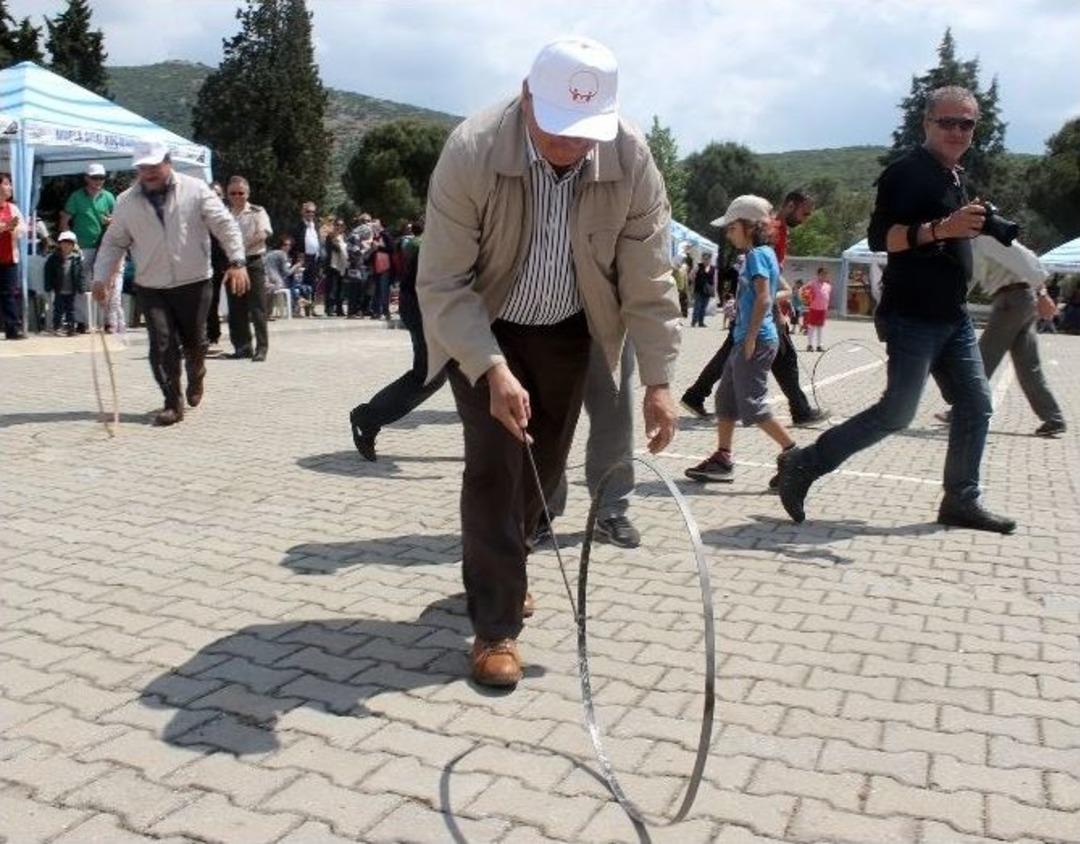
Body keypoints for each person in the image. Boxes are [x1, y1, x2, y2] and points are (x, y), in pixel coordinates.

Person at [417, 37, 680, 687]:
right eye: (559, 129)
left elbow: (650, 277)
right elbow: (444, 283)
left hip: (570, 330)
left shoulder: (631, 156)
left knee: (542, 474)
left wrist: (659, 380)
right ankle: (495, 629)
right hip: (484, 323)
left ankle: (507, 568)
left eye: (585, 133)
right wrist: (490, 367)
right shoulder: (473, 149)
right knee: (495, 469)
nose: (570, 147)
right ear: (528, 95)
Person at [776, 86, 1015, 534]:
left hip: (953, 316)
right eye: (947, 122)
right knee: (897, 413)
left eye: (967, 124)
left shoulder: (953, 176)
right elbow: (880, 239)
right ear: (926, 123)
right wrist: (942, 228)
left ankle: (961, 500)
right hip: (913, 315)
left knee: (976, 405)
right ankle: (804, 464)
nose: (957, 131)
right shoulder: (906, 173)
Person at [93, 141, 248, 426]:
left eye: (154, 166)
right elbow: (113, 242)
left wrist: (237, 261)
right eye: (143, 167)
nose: (149, 172)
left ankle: (197, 372)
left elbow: (225, 226)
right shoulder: (126, 201)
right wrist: (100, 277)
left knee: (195, 342)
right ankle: (172, 403)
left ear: (168, 162)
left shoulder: (196, 189)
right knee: (161, 345)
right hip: (151, 285)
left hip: (195, 281)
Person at [680, 190, 828, 426]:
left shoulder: (776, 230)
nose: (805, 219)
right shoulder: (773, 230)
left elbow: (770, 275)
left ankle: (697, 395)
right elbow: (764, 281)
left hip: (756, 307)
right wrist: (777, 311)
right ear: (790, 205)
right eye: (804, 213)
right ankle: (798, 410)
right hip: (759, 308)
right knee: (779, 356)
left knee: (750, 353)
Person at [686, 196, 797, 484]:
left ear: (748, 226)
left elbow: (763, 296)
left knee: (752, 405)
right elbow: (777, 293)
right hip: (747, 339)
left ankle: (796, 457)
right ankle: (722, 458)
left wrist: (750, 336)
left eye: (731, 227)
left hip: (755, 341)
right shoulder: (767, 254)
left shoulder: (757, 255)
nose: (727, 232)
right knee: (725, 399)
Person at [937, 237, 1066, 437]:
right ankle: (1053, 418)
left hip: (1012, 300)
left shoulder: (987, 237)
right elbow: (968, 279)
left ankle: (962, 411)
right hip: (1018, 300)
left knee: (981, 359)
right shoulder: (973, 244)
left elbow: (1026, 259)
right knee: (1028, 366)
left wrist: (1042, 293)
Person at [349, 219, 449, 460]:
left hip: (438, 305)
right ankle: (368, 417)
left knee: (457, 376)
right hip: (426, 306)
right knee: (430, 375)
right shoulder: (454, 229)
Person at [61, 163, 116, 333]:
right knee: (81, 284)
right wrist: (68, 242)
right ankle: (81, 321)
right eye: (95, 177)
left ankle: (108, 321)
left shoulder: (109, 197)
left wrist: (111, 221)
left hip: (104, 246)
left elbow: (119, 220)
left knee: (105, 282)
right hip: (82, 246)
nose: (99, 181)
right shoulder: (76, 196)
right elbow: (65, 218)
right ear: (86, 178)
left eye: (101, 177)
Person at [224, 176, 272, 361]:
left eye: (240, 193)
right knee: (235, 308)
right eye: (233, 193)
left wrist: (239, 247)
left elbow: (263, 233)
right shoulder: (224, 213)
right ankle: (242, 347)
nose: (237, 196)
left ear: (248, 193)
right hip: (232, 265)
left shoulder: (257, 211)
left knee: (257, 307)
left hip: (253, 262)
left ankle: (261, 348)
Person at [0, 173, 26, 340]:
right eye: (6, 183)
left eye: (10, 184)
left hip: (9, 258)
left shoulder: (13, 208)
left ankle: (12, 328)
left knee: (9, 294)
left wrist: (14, 229)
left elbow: (22, 229)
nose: (9, 187)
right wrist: (4, 227)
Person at [44, 231, 84, 336]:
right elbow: (48, 273)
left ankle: (71, 328)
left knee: (70, 310)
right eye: (64, 243)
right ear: (60, 244)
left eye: (69, 243)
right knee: (58, 309)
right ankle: (57, 327)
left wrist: (81, 286)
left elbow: (80, 274)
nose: (66, 246)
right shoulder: (53, 258)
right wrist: (48, 285)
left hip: (71, 289)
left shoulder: (76, 259)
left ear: (73, 245)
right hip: (59, 289)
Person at [205, 182, 230, 349]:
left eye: (218, 195)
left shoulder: (226, 215)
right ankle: (207, 333)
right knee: (204, 299)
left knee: (213, 299)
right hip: (201, 261)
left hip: (220, 263)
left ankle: (213, 333)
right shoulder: (201, 214)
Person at [291, 201, 321, 307]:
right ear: (303, 212)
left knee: (312, 283)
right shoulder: (298, 225)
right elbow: (294, 242)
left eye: (313, 212)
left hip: (314, 258)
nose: (311, 214)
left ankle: (311, 307)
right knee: (300, 282)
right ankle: (300, 307)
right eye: (308, 212)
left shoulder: (315, 225)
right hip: (302, 257)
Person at [323, 219, 348, 317]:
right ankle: (329, 308)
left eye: (341, 225)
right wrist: (341, 245)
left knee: (341, 289)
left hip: (342, 265)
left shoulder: (344, 237)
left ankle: (339, 309)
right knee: (332, 288)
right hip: (332, 265)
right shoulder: (330, 236)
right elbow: (336, 248)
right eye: (337, 225)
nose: (339, 227)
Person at [804, 267, 832, 351]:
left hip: (823, 309)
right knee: (811, 327)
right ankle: (809, 345)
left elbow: (827, 297)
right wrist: (806, 299)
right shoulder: (812, 283)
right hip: (814, 308)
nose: (823, 276)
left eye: (825, 274)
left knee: (820, 328)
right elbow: (804, 291)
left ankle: (819, 345)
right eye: (822, 274)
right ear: (818, 275)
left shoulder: (828, 286)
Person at [690, 251, 716, 327]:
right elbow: (691, 275)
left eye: (707, 259)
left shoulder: (713, 268)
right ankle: (694, 321)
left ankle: (701, 322)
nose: (706, 260)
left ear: (710, 259)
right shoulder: (698, 266)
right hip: (698, 289)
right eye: (704, 258)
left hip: (707, 290)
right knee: (697, 306)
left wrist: (714, 289)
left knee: (704, 307)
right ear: (702, 259)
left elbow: (714, 280)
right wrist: (693, 280)